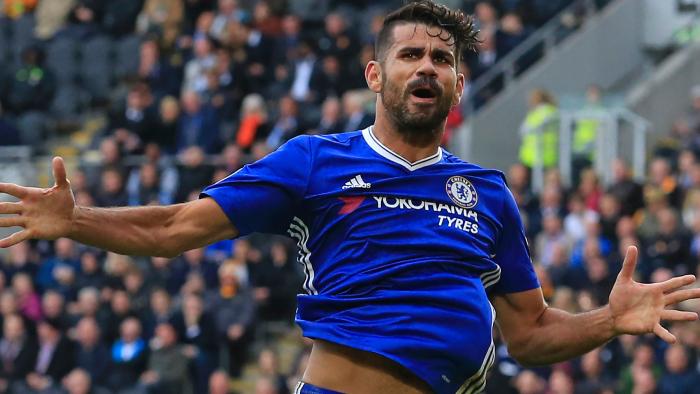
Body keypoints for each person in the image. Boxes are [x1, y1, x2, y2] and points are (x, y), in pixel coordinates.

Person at [1, 1, 700, 393]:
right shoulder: (315, 161)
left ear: (457, 86)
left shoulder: (488, 194)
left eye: (443, 60)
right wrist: (77, 221)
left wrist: (607, 321)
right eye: (411, 55)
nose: (428, 67)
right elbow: (176, 226)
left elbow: (532, 332)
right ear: (375, 73)